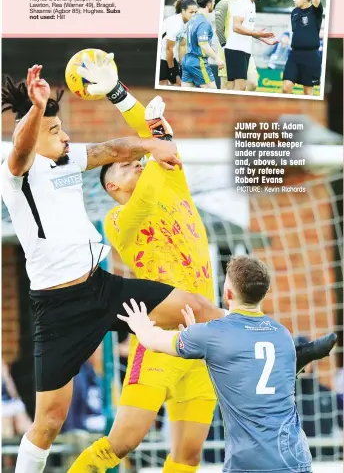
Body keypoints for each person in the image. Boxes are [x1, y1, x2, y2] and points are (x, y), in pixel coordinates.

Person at [68, 85, 337, 471]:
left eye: (139, 162)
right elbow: (158, 145)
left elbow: (160, 147)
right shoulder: (117, 220)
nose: (139, 164)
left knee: (189, 454)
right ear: (113, 186)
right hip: (162, 339)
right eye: (128, 165)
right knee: (122, 443)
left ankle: (289, 350)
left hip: (203, 341)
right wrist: (147, 125)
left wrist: (121, 96)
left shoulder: (170, 181)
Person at [1, 58, 226, 473]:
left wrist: (149, 143)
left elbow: (115, 148)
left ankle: (278, 347)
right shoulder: (15, 174)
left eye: (61, 126)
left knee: (205, 309)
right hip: (58, 308)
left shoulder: (69, 161)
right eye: (55, 131)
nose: (65, 135)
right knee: (49, 421)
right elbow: (19, 148)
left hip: (101, 288)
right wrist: (36, 109)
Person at [118, 255, 338, 473]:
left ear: (227, 293)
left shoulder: (215, 333)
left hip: (250, 463)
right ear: (265, 293)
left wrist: (140, 323)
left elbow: (154, 341)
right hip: (295, 457)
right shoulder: (281, 333)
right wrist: (195, 337)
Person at [224, 0, 278, 91]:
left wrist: (263, 38)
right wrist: (257, 33)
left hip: (244, 50)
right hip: (235, 50)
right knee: (240, 87)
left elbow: (248, 29)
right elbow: (236, 27)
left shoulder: (251, 4)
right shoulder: (242, 3)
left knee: (238, 87)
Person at [283, 0, 323, 95]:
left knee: (308, 93)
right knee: (286, 88)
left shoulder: (315, 11)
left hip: (311, 56)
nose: (294, 0)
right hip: (294, 55)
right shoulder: (294, 12)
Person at [215, 0, 259, 91]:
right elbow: (219, 29)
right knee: (227, 87)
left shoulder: (249, 3)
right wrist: (224, 48)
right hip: (228, 51)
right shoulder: (224, 3)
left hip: (244, 51)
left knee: (253, 83)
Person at [181, 0, 224, 89]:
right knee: (213, 93)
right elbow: (203, 44)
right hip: (198, 62)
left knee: (186, 95)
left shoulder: (192, 19)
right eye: (213, 1)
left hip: (187, 60)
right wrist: (217, 58)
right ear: (209, 4)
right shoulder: (204, 22)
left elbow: (195, 41)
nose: (214, 3)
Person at [159, 0, 198, 86]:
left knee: (178, 83)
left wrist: (182, 66)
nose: (194, 15)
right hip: (161, 56)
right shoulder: (175, 24)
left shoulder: (188, 23)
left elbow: (182, 45)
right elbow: (168, 48)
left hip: (171, 57)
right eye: (191, 12)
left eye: (195, 12)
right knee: (163, 84)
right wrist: (172, 70)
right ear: (183, 11)